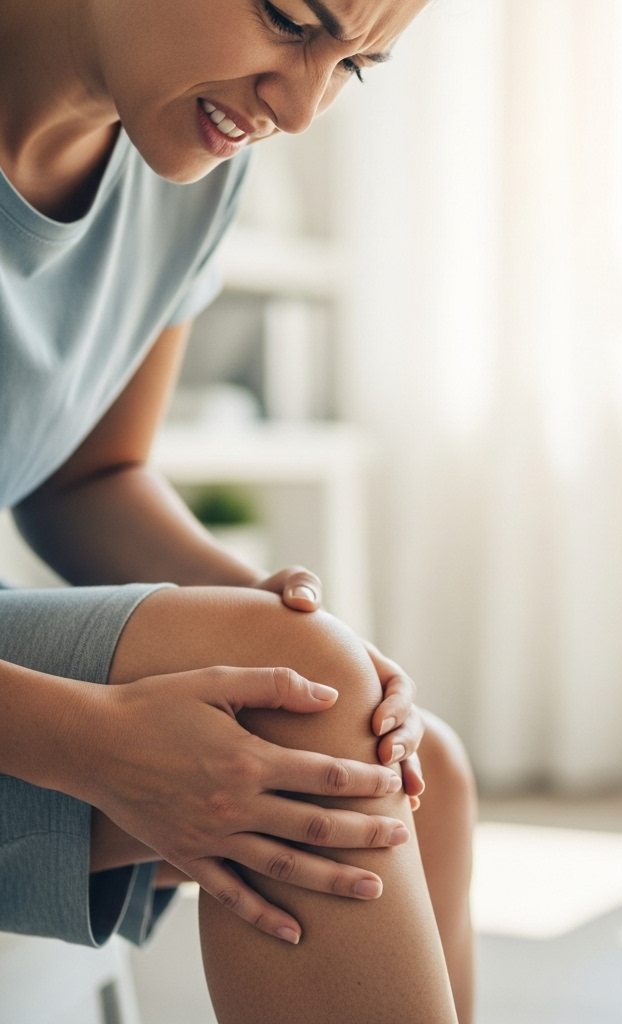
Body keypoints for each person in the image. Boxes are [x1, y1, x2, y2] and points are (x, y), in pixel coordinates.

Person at [0, 1, 475, 1021]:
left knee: (416, 765)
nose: (302, 107)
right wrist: (84, 738)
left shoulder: (191, 171)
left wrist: (301, 632)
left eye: (357, 65)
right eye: (288, 18)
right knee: (317, 765)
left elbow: (86, 477)